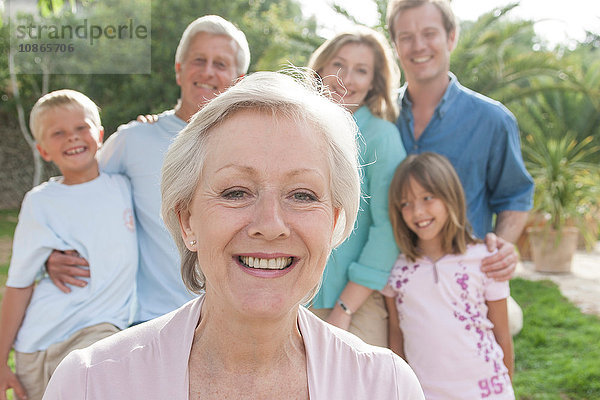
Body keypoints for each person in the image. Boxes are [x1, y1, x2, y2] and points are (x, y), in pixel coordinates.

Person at [42, 72, 425, 399]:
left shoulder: (386, 387)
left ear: (334, 223)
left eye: (302, 195)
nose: (271, 224)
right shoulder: (90, 383)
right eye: (236, 192)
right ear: (187, 220)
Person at [45, 15, 251, 323]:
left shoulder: (254, 149)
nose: (207, 71)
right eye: (198, 60)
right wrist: (49, 254)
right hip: (150, 322)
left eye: (220, 64)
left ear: (240, 78)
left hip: (235, 321)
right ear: (179, 70)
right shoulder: (134, 140)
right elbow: (75, 191)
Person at [0, 90, 137, 400]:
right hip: (38, 346)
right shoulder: (41, 203)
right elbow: (19, 283)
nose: (72, 138)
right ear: (43, 150)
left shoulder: (123, 185)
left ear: (100, 134)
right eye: (58, 133)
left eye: (81, 128)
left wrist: (148, 121)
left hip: (96, 334)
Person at [386, 0, 534, 283]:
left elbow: (515, 194)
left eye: (429, 33)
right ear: (395, 46)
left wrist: (501, 249)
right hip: (388, 285)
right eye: (406, 37)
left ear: (451, 37)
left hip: (464, 284)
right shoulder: (380, 117)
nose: (418, 46)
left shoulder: (493, 120)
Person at [383, 152, 514, 399]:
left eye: (427, 197)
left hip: (488, 392)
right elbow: (396, 334)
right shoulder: (397, 271)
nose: (418, 211)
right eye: (406, 203)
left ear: (449, 197)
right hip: (425, 393)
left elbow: (502, 336)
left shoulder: (486, 258)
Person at [307, 27, 406, 347]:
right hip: (296, 301)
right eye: (338, 64)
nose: (346, 78)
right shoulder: (296, 129)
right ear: (320, 68)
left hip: (352, 307)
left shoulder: (382, 137)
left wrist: (344, 308)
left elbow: (389, 228)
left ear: (374, 83)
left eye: (361, 70)